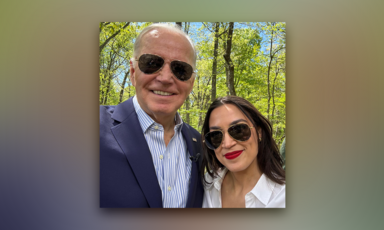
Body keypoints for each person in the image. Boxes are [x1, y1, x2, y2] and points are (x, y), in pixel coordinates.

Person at [100, 23, 204, 208]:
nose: (165, 78)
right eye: (151, 63)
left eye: (181, 69)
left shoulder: (202, 146)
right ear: (133, 72)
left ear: (191, 82)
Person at [201, 96, 285, 208]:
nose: (227, 143)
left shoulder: (283, 196)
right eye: (216, 135)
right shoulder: (206, 185)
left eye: (239, 130)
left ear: (259, 132)